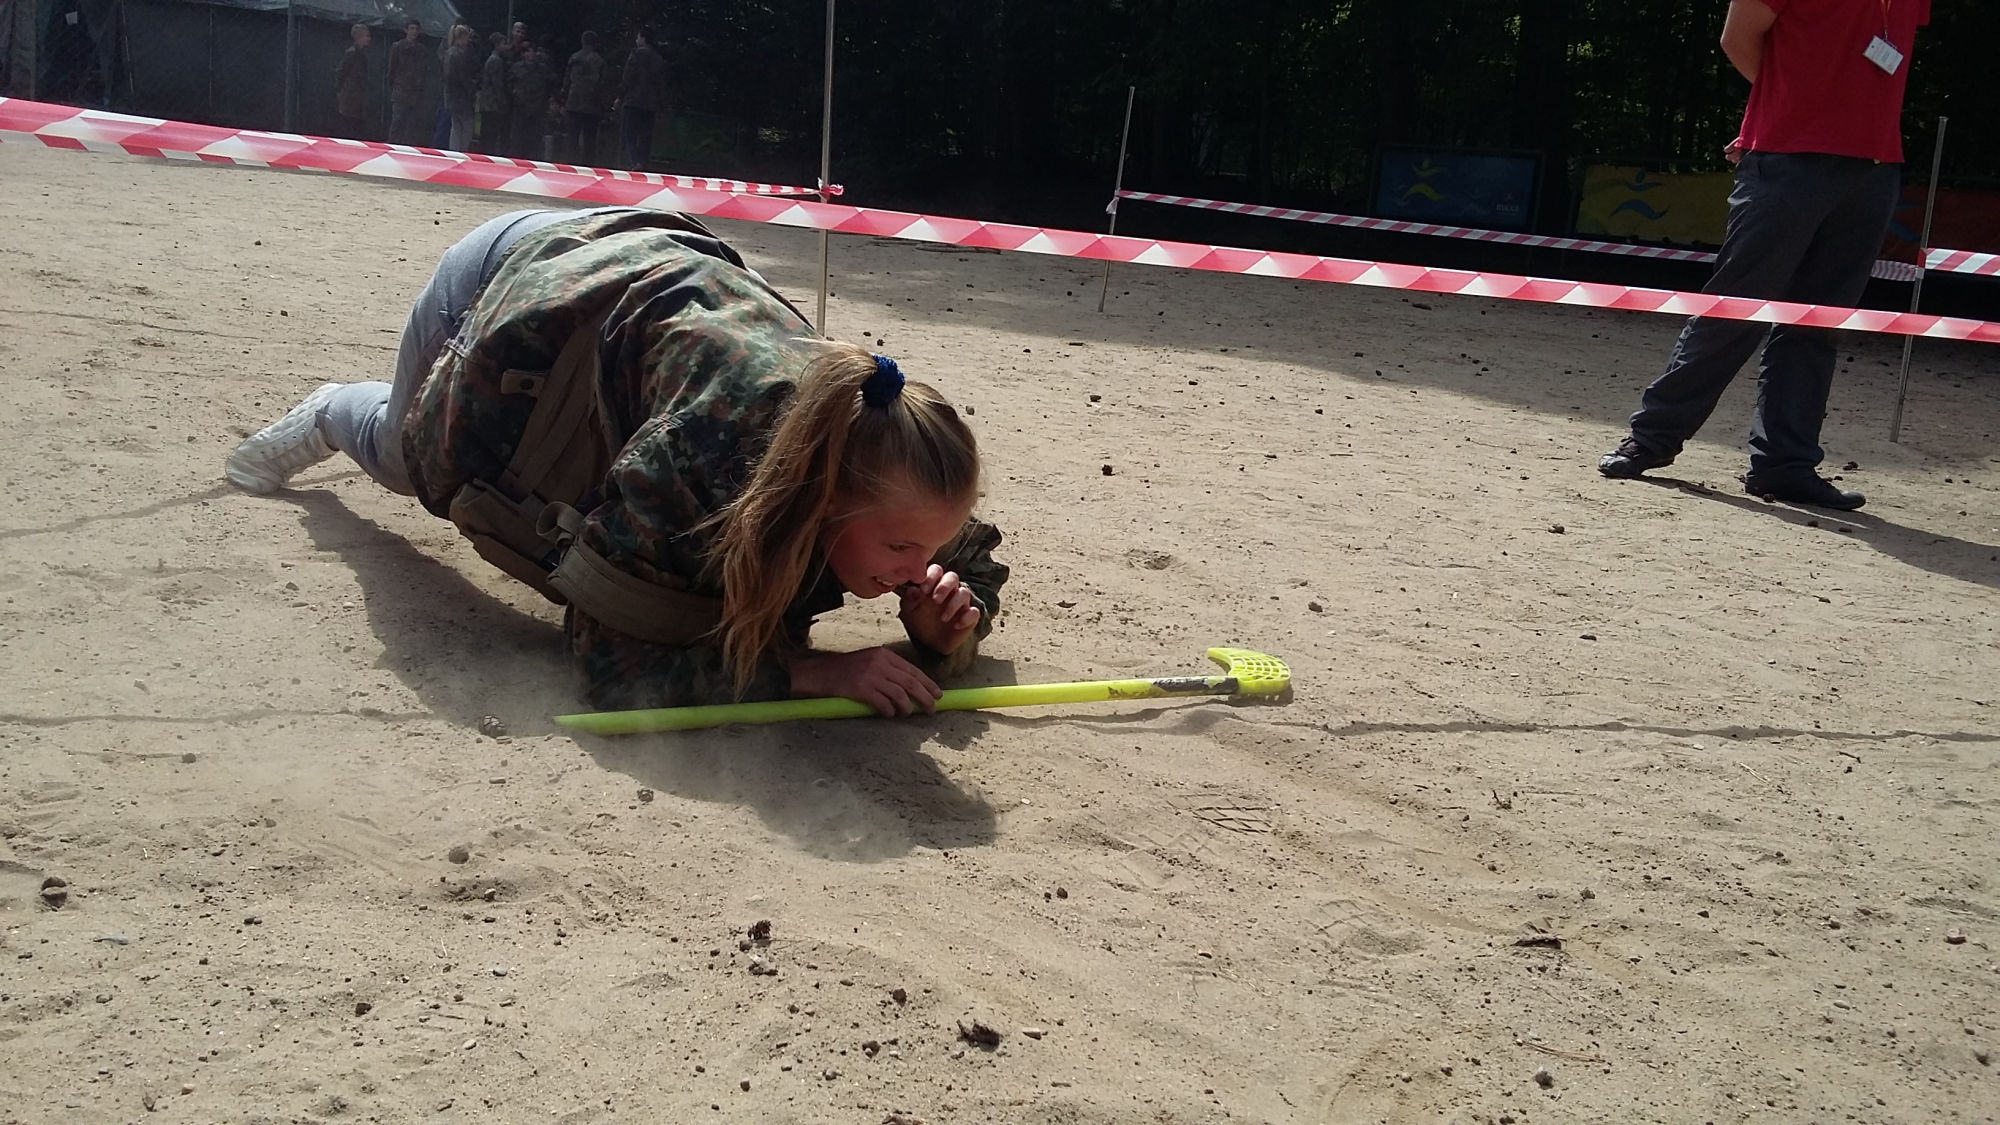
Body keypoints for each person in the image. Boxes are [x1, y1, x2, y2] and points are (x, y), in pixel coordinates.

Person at [222, 209, 1009, 715]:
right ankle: (330, 407)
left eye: (929, 546)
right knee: (406, 452)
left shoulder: (884, 452)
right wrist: (816, 673)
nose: (919, 564)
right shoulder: (708, 459)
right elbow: (606, 663)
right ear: (828, 494)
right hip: (505, 287)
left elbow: (969, 565)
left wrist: (948, 628)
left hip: (641, 268)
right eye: (903, 547)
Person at [1598, 0, 1930, 511]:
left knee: (1817, 325)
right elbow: (1737, 38)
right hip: (1787, 155)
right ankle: (1652, 439)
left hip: (1874, 168)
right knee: (1734, 309)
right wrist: (1787, 106)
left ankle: (1785, 466)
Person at [618, 28, 666, 170]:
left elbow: (628, 77)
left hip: (632, 100)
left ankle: (633, 161)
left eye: (638, 37)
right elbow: (660, 84)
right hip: (650, 103)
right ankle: (643, 163)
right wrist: (660, 103)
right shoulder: (658, 59)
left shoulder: (635, 54)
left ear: (643, 38)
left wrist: (620, 96)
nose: (636, 40)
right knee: (645, 136)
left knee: (629, 134)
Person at [561, 31, 607, 165]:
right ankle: (587, 167)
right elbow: (602, 84)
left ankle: (570, 166)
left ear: (582, 42)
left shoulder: (574, 58)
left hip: (573, 102)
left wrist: (563, 100)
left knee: (571, 139)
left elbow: (566, 81)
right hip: (592, 105)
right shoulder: (599, 61)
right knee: (590, 141)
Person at [507, 40, 554, 158]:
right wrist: (516, 97)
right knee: (518, 141)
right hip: (520, 109)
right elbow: (509, 86)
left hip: (537, 110)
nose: (531, 54)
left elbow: (549, 86)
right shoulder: (515, 68)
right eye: (527, 51)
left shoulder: (543, 69)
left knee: (535, 142)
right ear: (523, 53)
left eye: (533, 51)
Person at [386, 19, 430, 145]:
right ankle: (392, 145)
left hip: (415, 93)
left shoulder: (422, 50)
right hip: (400, 90)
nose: (414, 32)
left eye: (416, 29)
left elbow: (424, 71)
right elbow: (392, 69)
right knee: (397, 122)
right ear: (406, 30)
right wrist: (394, 86)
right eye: (412, 28)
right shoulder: (397, 47)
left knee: (412, 124)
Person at [443, 24, 479, 152]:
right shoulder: (460, 55)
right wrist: (472, 88)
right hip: (462, 97)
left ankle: (455, 152)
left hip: (452, 97)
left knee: (456, 127)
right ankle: (462, 152)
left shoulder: (449, 52)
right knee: (466, 128)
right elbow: (463, 77)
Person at [333, 23, 371, 139]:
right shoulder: (352, 53)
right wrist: (340, 91)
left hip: (357, 96)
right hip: (350, 96)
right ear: (359, 37)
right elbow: (341, 72)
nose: (369, 39)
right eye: (367, 36)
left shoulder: (361, 54)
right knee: (349, 124)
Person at [476, 32, 510, 153]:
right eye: (503, 43)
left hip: (487, 103)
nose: (506, 46)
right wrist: (503, 101)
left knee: (486, 134)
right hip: (492, 104)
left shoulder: (492, 59)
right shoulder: (496, 61)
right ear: (497, 45)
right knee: (490, 134)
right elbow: (497, 84)